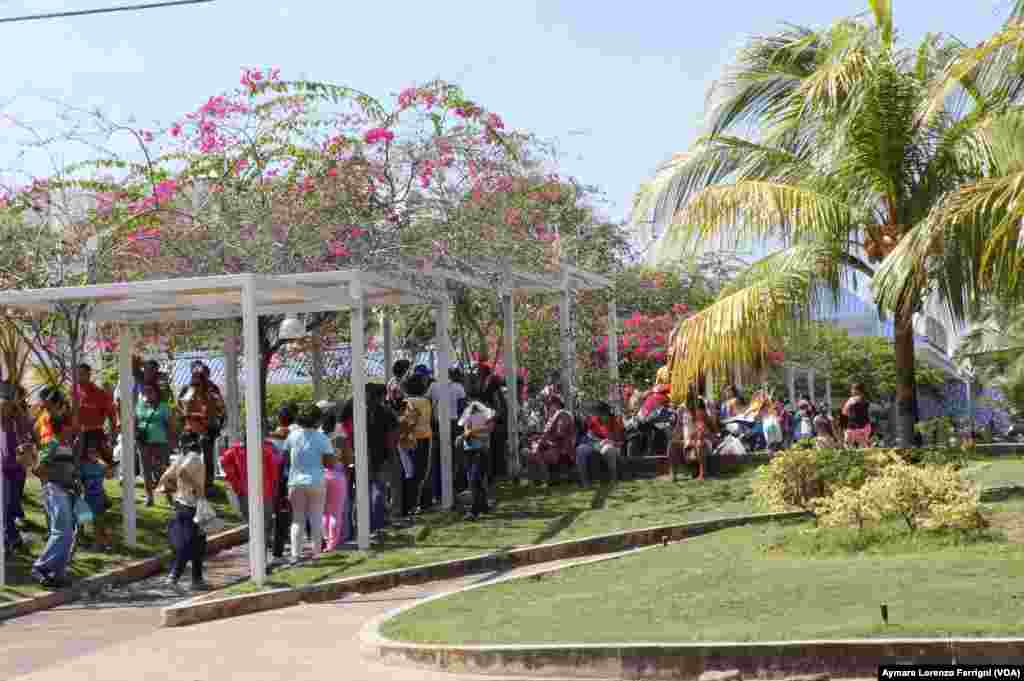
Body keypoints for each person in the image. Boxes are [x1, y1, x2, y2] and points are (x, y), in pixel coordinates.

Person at [30, 414, 79, 589]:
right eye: (69, 425)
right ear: (62, 427)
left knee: (67, 534)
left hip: (67, 491)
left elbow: (70, 469)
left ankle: (57, 574)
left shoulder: (68, 446)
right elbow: (38, 469)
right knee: (61, 532)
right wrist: (52, 480)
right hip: (54, 490)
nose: (73, 428)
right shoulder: (51, 444)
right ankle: (40, 567)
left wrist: (73, 482)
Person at [283, 403, 335, 564]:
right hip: (316, 481)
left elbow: (285, 458)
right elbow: (329, 463)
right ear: (318, 420)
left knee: (297, 520)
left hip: (295, 482)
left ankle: (295, 555)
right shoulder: (323, 438)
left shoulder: (292, 436)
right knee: (316, 518)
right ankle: (316, 554)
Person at [158, 434, 209, 590]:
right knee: (191, 543)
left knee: (197, 542)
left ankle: (197, 578)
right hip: (192, 505)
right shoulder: (194, 457)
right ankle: (175, 575)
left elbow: (165, 477)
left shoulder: (180, 458)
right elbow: (182, 474)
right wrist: (197, 488)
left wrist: (170, 491)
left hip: (182, 503)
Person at [219, 432, 279, 554]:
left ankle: (260, 552)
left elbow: (224, 462)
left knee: (254, 523)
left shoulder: (237, 450)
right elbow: (274, 471)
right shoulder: (265, 450)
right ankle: (261, 553)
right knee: (263, 523)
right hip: (262, 492)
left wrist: (235, 481)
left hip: (250, 492)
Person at [178, 361, 225, 491]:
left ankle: (208, 484)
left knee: (207, 456)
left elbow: (219, 408)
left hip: (207, 428)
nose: (198, 377)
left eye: (202, 374)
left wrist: (215, 423)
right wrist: (185, 416)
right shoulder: (187, 388)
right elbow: (180, 404)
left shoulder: (212, 390)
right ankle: (191, 484)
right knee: (189, 456)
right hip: (190, 427)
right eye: (195, 374)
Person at [1, 382, 33, 553]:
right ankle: (11, 539)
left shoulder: (16, 422)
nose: (5, 408)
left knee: (12, 504)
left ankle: (12, 538)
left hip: (17, 468)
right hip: (4, 469)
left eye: (7, 405)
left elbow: (28, 430)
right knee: (5, 506)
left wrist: (18, 408)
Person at [136, 383, 175, 506]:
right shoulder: (140, 405)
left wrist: (171, 441)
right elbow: (135, 421)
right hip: (144, 442)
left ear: (156, 393)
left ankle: (169, 497)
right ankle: (149, 497)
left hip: (160, 442)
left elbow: (170, 424)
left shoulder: (163, 406)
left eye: (150, 391)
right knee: (146, 470)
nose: (147, 393)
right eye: (145, 391)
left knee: (162, 470)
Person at [71, 364, 118, 465]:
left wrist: (113, 433)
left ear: (88, 375)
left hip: (95, 433)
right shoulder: (74, 391)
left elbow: (112, 414)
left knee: (105, 462)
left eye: (81, 374)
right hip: (77, 433)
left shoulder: (99, 393)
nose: (79, 377)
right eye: (77, 374)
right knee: (76, 463)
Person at [528, 388, 576, 485]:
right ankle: (540, 480)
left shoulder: (563, 414)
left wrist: (545, 442)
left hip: (562, 451)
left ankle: (547, 480)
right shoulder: (553, 416)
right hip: (554, 448)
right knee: (531, 452)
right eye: (547, 405)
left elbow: (559, 434)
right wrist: (539, 439)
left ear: (556, 404)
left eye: (549, 404)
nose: (547, 407)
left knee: (536, 454)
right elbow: (551, 435)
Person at [458, 397, 495, 520]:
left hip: (480, 451)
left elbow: (489, 428)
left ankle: (474, 510)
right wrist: (469, 433)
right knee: (475, 480)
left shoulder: (486, 416)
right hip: (470, 451)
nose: (473, 407)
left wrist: (471, 432)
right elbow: (467, 430)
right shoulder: (468, 417)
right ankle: (483, 506)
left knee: (474, 479)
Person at [403, 375, 435, 513]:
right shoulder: (426, 401)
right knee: (423, 471)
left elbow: (408, 421)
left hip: (411, 439)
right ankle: (422, 502)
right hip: (426, 437)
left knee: (411, 472)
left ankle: (411, 503)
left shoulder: (407, 401)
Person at [319, 406, 349, 550]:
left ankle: (326, 540)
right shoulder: (340, 438)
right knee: (336, 512)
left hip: (320, 474)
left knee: (324, 512)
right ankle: (333, 543)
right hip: (337, 474)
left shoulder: (317, 438)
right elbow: (348, 458)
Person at [575, 403, 624, 486]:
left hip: (612, 446)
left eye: (603, 414)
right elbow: (589, 435)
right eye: (599, 414)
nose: (601, 416)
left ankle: (613, 478)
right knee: (580, 449)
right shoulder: (594, 420)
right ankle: (584, 481)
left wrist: (610, 441)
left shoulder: (616, 421)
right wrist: (597, 441)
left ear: (607, 413)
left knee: (609, 449)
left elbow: (620, 441)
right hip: (596, 444)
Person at [79, 442, 113, 549]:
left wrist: (104, 463)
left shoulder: (101, 465)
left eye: (95, 452)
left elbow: (109, 476)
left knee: (99, 521)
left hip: (99, 497)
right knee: (83, 521)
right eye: (90, 452)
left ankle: (101, 543)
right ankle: (83, 541)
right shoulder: (83, 466)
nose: (92, 454)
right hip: (87, 497)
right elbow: (79, 480)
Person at [842, 383, 872, 448]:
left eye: (852, 389)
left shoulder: (851, 399)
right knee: (864, 446)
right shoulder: (866, 400)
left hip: (853, 427)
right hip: (865, 426)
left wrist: (843, 425)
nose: (851, 391)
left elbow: (844, 412)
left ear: (856, 390)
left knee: (848, 446)